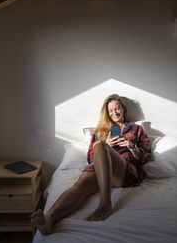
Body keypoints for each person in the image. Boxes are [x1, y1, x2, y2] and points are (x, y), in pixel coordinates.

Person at [31, 94, 151, 235]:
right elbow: (90, 158)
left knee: (100, 145)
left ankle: (105, 204)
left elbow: (145, 157)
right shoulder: (100, 131)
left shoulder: (136, 129)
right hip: (100, 169)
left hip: (124, 170)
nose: (114, 113)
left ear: (123, 109)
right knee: (80, 185)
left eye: (117, 109)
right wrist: (106, 145)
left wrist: (132, 146)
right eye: (110, 111)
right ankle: (49, 219)